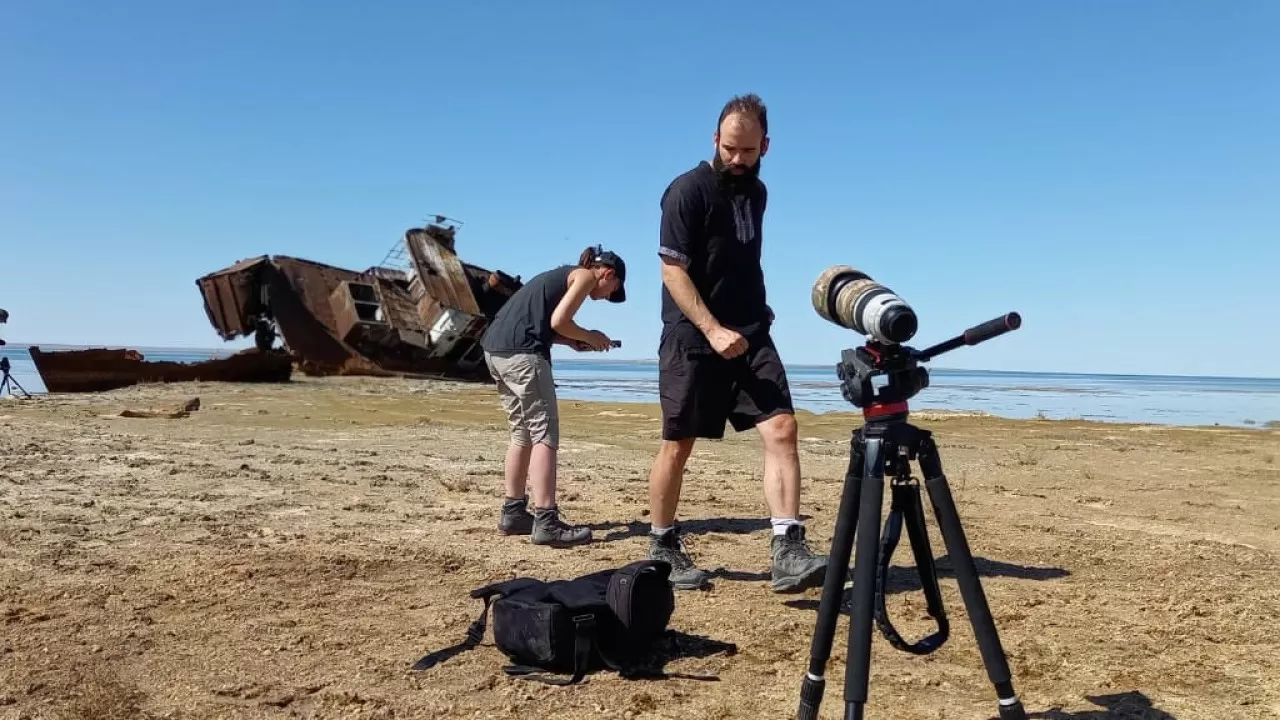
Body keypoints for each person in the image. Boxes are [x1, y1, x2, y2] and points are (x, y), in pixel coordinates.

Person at [644, 93, 828, 592]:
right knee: (677, 445)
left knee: (783, 428)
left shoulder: (759, 192)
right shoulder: (687, 191)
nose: (737, 160)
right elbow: (671, 270)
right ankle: (661, 545)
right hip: (693, 336)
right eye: (729, 149)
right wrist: (712, 328)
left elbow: (741, 256)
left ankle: (788, 548)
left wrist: (755, 304)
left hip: (751, 332)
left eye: (748, 151)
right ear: (714, 139)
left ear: (765, 145)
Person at [479, 244, 627, 548]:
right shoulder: (584, 276)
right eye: (615, 289)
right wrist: (589, 336)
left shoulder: (558, 275)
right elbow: (560, 321)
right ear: (608, 273)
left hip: (495, 351)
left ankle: (513, 512)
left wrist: (572, 343)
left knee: (521, 434)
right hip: (523, 355)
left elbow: (548, 325)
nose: (610, 296)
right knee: (544, 435)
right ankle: (546, 521)